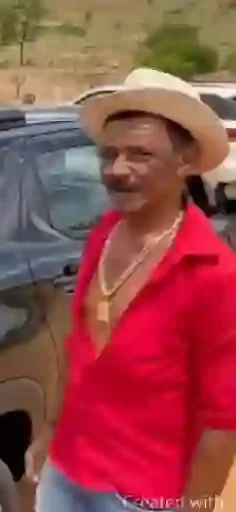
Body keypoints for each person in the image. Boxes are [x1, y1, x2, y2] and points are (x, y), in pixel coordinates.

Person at [25, 68, 236, 512]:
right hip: (67, 474)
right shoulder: (104, 233)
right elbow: (78, 347)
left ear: (185, 162)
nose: (117, 170)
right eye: (109, 154)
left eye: (141, 154)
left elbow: (223, 423)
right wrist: (49, 434)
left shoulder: (214, 273)